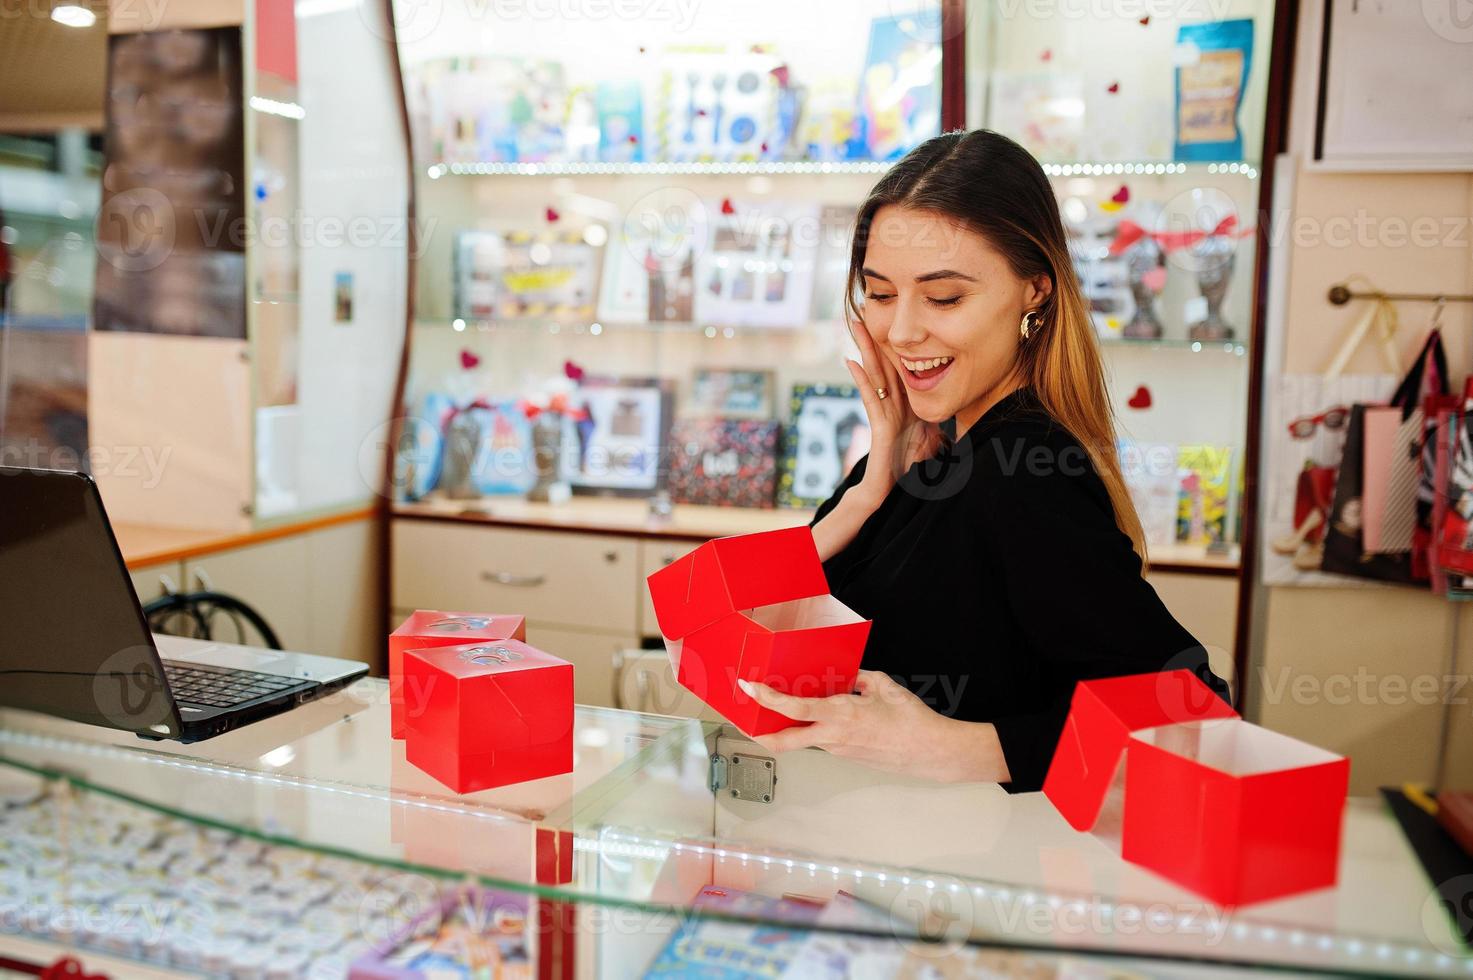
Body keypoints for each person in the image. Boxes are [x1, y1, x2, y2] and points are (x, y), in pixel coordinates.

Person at [739, 130, 1230, 793]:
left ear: (1034, 291)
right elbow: (725, 620)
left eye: (943, 297)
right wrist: (862, 493)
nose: (902, 330)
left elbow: (1192, 715)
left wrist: (959, 748)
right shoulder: (921, 452)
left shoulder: (1023, 471)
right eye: (879, 294)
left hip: (976, 878)